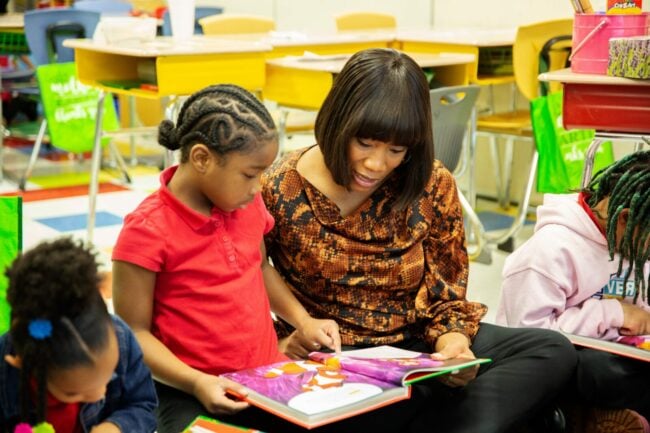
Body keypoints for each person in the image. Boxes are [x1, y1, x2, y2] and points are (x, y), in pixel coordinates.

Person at [261, 47, 578, 433]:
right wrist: (294, 330)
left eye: (396, 150)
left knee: (550, 350)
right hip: (333, 358)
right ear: (336, 122)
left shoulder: (431, 182)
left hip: (414, 349)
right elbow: (255, 272)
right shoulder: (279, 185)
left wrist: (452, 346)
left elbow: (447, 294)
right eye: (365, 143)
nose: (377, 164)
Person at [112, 84, 428, 433]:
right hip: (187, 390)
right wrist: (197, 382)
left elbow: (260, 267)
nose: (259, 186)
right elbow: (133, 332)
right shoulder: (146, 231)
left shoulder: (246, 204)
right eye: (250, 174)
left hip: (265, 380)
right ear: (201, 159)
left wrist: (303, 321)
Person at [497, 151, 650, 433]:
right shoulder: (550, 250)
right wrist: (614, 313)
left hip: (619, 352)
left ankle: (617, 417)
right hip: (555, 363)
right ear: (626, 220)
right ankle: (581, 416)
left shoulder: (636, 244)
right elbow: (531, 338)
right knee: (600, 372)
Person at [0, 237, 157, 433]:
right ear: (24, 363)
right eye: (73, 393)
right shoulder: (6, 372)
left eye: (108, 378)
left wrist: (116, 427)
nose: (99, 395)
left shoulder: (121, 338)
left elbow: (143, 405)